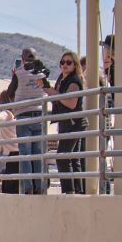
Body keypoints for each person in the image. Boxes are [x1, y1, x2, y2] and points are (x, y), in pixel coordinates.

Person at [5, 47, 50, 194]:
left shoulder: (19, 73)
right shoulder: (42, 72)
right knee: (38, 153)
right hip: (40, 114)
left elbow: (9, 92)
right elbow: (47, 89)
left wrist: (16, 103)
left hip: (23, 114)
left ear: (22, 59)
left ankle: (28, 186)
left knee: (25, 153)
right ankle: (39, 186)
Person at [44, 50, 87, 194]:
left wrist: (54, 93)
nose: (65, 65)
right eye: (62, 62)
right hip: (67, 122)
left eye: (68, 62)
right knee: (72, 158)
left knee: (63, 157)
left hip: (73, 123)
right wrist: (46, 88)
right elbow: (59, 96)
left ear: (75, 65)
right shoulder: (61, 79)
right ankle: (77, 190)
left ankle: (69, 191)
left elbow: (71, 103)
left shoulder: (74, 80)